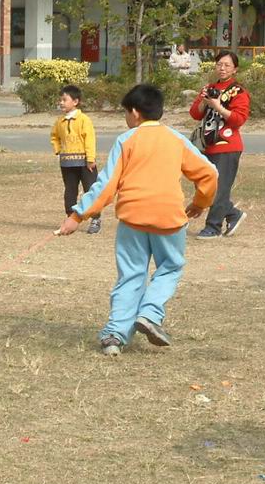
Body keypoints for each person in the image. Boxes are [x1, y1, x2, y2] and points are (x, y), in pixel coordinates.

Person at [57, 84, 217, 357]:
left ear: (134, 113)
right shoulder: (176, 139)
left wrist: (77, 215)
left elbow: (106, 185)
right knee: (169, 267)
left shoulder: (126, 140)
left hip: (133, 218)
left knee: (131, 274)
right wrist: (201, 203)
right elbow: (209, 173)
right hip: (169, 217)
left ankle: (115, 336)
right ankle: (150, 314)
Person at [188, 49, 250, 239]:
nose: (222, 68)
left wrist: (218, 107)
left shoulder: (238, 91)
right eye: (219, 64)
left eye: (227, 65)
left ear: (235, 69)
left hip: (228, 145)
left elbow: (239, 119)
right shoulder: (209, 87)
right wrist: (205, 101)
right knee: (207, 185)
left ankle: (213, 227)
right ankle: (232, 213)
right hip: (207, 144)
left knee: (220, 187)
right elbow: (195, 114)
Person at [50, 84, 101, 234]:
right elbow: (54, 136)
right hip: (67, 163)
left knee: (90, 190)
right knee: (70, 191)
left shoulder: (84, 120)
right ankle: (70, 217)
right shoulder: (59, 121)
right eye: (60, 100)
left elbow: (89, 139)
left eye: (64, 100)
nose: (61, 103)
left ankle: (95, 218)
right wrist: (58, 149)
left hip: (85, 163)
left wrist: (90, 159)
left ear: (75, 101)